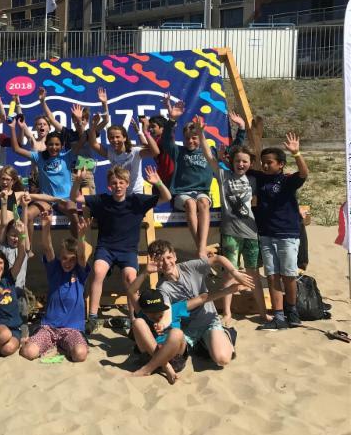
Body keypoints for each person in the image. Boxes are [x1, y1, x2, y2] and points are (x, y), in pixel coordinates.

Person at [80, 165, 171, 333]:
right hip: (106, 248)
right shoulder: (102, 200)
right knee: (98, 270)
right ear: (109, 185)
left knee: (130, 277)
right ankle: (92, 316)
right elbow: (75, 199)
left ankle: (133, 319)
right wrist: (77, 182)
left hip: (128, 250)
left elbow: (167, 197)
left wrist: (158, 183)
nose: (118, 186)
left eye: (121, 182)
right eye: (114, 183)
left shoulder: (137, 201)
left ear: (127, 184)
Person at [197, 115, 268, 323]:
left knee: (253, 273)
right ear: (231, 162)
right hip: (230, 233)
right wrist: (201, 133)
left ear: (250, 163)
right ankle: (227, 312)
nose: (241, 164)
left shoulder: (254, 179)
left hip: (251, 233)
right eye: (237, 160)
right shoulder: (223, 175)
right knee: (229, 273)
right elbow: (209, 156)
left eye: (245, 161)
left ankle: (263, 312)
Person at [147, 239, 253, 367]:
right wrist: (162, 324)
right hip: (187, 329)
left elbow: (218, 258)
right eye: (160, 259)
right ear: (155, 263)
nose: (166, 262)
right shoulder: (162, 287)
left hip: (208, 321)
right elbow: (168, 311)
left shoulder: (190, 267)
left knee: (222, 359)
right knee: (171, 355)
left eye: (168, 257)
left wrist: (235, 273)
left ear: (174, 256)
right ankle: (201, 345)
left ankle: (226, 333)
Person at [126, 277, 253, 384]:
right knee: (138, 322)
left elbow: (202, 299)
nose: (157, 315)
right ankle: (162, 365)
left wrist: (230, 290)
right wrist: (145, 272)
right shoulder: (141, 313)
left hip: (174, 358)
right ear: (144, 310)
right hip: (150, 355)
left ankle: (151, 368)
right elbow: (131, 291)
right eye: (151, 313)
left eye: (159, 310)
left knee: (177, 333)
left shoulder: (174, 309)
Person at [249, 133, 309, 330]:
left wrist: (296, 153)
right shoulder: (259, 177)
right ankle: (278, 315)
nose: (265, 166)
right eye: (263, 163)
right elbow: (240, 166)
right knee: (273, 275)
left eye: (270, 163)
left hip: (287, 235)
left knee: (288, 275)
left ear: (280, 164)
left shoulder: (286, 180)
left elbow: (304, 174)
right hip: (266, 235)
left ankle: (291, 310)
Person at [20, 211, 91, 363]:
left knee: (80, 354)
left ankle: (64, 345)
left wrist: (82, 236)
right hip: (49, 327)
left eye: (72, 260)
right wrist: (46, 226)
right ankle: (50, 343)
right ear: (60, 256)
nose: (68, 262)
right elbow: (47, 248)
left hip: (72, 328)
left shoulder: (79, 271)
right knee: (28, 352)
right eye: (64, 258)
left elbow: (83, 256)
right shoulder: (55, 269)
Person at [161, 95, 214, 257]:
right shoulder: (178, 152)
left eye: (194, 138)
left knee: (203, 202)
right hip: (182, 194)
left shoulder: (207, 152)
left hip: (202, 192)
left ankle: (201, 246)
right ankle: (201, 248)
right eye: (187, 138)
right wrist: (171, 120)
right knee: (191, 203)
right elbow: (166, 142)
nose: (190, 141)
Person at [87, 88, 160, 195]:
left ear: (125, 137)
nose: (114, 140)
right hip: (119, 194)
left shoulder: (135, 151)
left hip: (137, 192)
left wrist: (145, 132)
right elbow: (93, 144)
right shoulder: (110, 152)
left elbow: (155, 152)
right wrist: (93, 126)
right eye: (111, 138)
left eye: (117, 137)